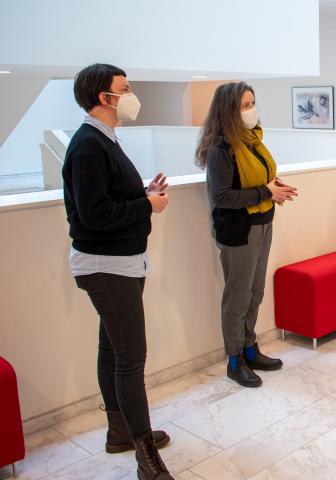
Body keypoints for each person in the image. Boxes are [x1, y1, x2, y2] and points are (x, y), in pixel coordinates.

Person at [62, 63, 174, 479]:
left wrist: (144, 194)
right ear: (103, 97)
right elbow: (93, 215)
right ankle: (146, 458)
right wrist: (147, 205)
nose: (131, 96)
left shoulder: (103, 140)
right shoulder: (89, 145)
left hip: (121, 263)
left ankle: (120, 432)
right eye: (124, 89)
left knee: (112, 351)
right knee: (131, 360)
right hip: (106, 267)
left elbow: (106, 199)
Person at [195, 82, 298, 387]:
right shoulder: (221, 149)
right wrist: (266, 191)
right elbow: (224, 196)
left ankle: (251, 348)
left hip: (263, 221)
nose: (251, 110)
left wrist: (274, 185)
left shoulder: (253, 140)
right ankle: (235, 359)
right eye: (244, 105)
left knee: (255, 292)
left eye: (252, 102)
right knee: (237, 296)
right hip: (238, 230)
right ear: (228, 111)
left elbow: (259, 176)